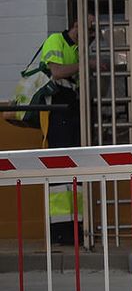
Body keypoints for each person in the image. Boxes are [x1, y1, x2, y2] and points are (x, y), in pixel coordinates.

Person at [40, 20, 82, 246]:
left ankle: (76, 228)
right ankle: (59, 231)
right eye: (91, 27)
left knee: (77, 174)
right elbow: (56, 72)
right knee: (58, 174)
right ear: (77, 24)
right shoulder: (55, 40)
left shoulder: (80, 49)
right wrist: (86, 64)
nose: (93, 33)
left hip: (74, 114)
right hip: (56, 115)